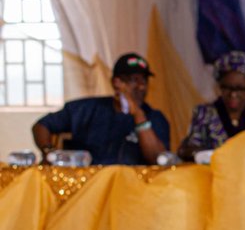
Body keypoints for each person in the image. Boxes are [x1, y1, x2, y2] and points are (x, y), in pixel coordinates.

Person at [31, 53, 169, 166]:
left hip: (132, 191)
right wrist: (48, 151)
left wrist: (139, 117)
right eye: (134, 80)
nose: (141, 87)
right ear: (117, 83)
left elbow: (157, 159)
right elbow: (41, 125)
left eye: (144, 81)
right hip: (87, 187)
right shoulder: (85, 109)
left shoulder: (154, 117)